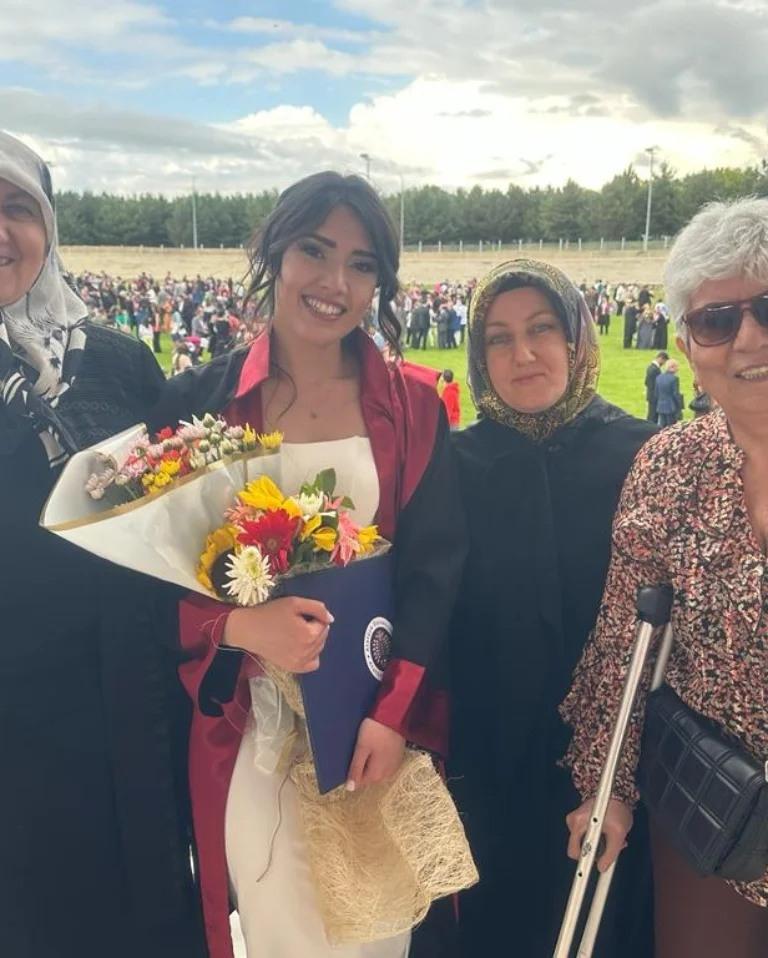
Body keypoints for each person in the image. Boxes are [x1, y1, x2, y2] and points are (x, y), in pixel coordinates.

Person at [151, 171, 467, 958]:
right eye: (314, 251)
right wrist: (238, 626)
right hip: (255, 730)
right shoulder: (201, 403)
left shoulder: (415, 407)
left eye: (362, 264)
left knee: (377, 935)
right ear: (275, 253)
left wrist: (391, 717)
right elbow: (155, 575)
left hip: (372, 729)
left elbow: (434, 573)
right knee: (281, 931)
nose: (335, 283)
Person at [0, 133, 205, 958]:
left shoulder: (116, 362)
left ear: (48, 227)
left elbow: (173, 525)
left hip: (129, 714)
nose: (2, 230)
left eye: (17, 208)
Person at [561, 196, 768, 958]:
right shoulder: (670, 465)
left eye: (767, 309)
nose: (749, 338)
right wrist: (605, 785)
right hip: (719, 816)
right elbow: (625, 641)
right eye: (718, 320)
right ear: (686, 345)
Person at [443, 259, 656, 957]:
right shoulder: (451, 465)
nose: (523, 354)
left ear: (575, 338)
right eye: (499, 338)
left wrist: (616, 772)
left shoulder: (641, 456)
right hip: (489, 761)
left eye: (541, 329)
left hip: (612, 763)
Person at [654, 358, 684, 426]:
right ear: (672, 367)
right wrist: (680, 405)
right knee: (672, 427)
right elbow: (675, 394)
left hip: (660, 406)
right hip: (671, 407)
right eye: (677, 367)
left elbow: (656, 393)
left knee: (662, 426)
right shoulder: (674, 379)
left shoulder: (659, 377)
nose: (678, 369)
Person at [644, 349, 668, 422]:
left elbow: (646, 382)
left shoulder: (651, 367)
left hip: (651, 395)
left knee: (652, 414)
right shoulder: (655, 369)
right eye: (664, 361)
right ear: (660, 358)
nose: (664, 363)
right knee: (653, 415)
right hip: (654, 396)